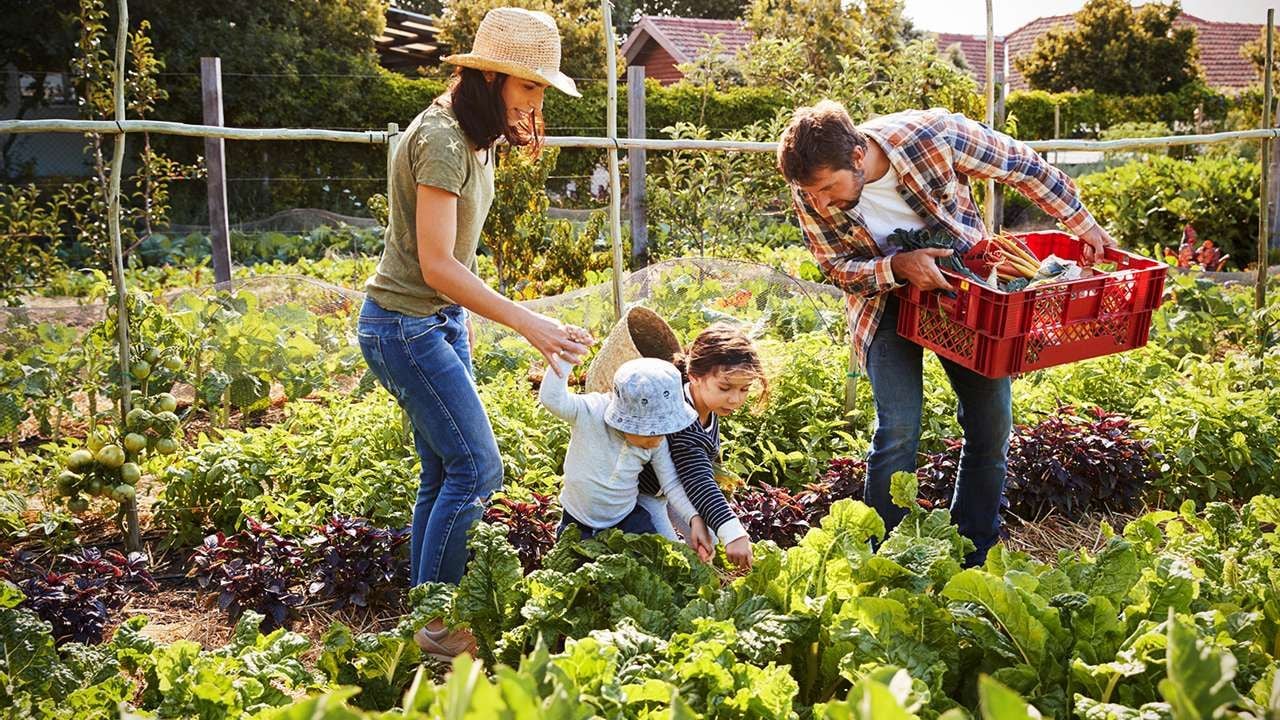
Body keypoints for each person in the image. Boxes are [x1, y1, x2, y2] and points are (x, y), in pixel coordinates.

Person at [776, 100, 1117, 566]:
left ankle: (972, 552)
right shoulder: (810, 188)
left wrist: (1084, 225)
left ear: (857, 156)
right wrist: (898, 266)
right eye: (811, 194)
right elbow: (836, 267)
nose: (820, 203)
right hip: (884, 303)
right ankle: (888, 561)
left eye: (827, 189)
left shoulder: (931, 136)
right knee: (898, 429)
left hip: (966, 296)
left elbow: (1022, 166)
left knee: (990, 424)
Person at [357, 7, 591, 660]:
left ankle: (426, 618)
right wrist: (528, 323)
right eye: (529, 86)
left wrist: (487, 317)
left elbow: (450, 263)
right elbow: (436, 264)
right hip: (404, 327)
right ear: (489, 78)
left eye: (542, 87)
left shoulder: (474, 136)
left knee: (443, 471)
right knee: (479, 468)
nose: (536, 102)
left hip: (435, 321)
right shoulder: (441, 138)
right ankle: (437, 631)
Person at [539, 356, 714, 558]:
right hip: (577, 519)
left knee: (654, 560)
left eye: (664, 430)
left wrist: (694, 519)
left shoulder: (657, 442)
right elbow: (552, 399)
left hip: (625, 518)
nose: (658, 439)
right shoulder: (590, 412)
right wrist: (565, 356)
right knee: (574, 570)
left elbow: (672, 483)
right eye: (651, 431)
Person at [636, 324, 765, 571]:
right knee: (674, 561)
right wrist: (734, 533)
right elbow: (698, 480)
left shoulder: (706, 404)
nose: (735, 399)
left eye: (744, 389)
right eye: (725, 388)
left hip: (672, 490)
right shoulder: (681, 419)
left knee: (711, 545)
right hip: (644, 495)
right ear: (694, 375)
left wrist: (708, 523)